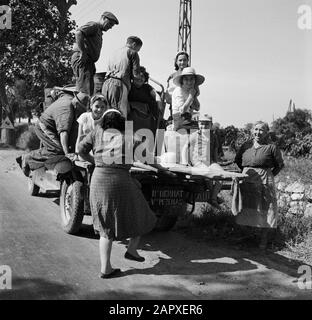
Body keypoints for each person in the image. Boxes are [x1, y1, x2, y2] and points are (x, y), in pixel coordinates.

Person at [77, 109, 159, 278]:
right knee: (141, 213)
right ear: (122, 122)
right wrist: (164, 169)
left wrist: (95, 162)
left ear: (104, 121)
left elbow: (80, 150)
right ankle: (131, 249)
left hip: (99, 180)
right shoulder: (129, 136)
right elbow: (148, 158)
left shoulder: (96, 133)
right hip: (121, 180)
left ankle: (106, 268)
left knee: (106, 228)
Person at [231, 121, 284, 250]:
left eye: (261, 130)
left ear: (266, 132)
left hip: (264, 180)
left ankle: (263, 240)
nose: (258, 132)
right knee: (245, 208)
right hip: (246, 179)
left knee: (265, 209)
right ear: (252, 131)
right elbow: (238, 161)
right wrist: (245, 172)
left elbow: (279, 165)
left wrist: (268, 174)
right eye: (255, 129)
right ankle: (245, 237)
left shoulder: (271, 147)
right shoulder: (246, 145)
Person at [16, 92, 90, 175]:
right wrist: (67, 154)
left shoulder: (69, 99)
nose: (82, 112)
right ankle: (27, 158)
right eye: (82, 109)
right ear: (77, 104)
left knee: (60, 149)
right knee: (57, 150)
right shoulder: (67, 111)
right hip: (44, 126)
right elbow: (63, 134)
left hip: (52, 127)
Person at [71, 12, 119, 95]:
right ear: (103, 18)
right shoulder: (94, 25)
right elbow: (79, 33)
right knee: (85, 91)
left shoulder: (99, 31)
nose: (110, 27)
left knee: (88, 89)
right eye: (110, 23)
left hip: (88, 61)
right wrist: (83, 52)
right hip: (83, 59)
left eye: (112, 26)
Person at [181, 116, 223, 207]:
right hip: (198, 162)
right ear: (199, 124)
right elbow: (185, 148)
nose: (204, 126)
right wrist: (185, 162)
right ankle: (214, 198)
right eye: (202, 123)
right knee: (208, 174)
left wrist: (216, 164)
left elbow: (215, 151)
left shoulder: (213, 136)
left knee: (221, 175)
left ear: (211, 125)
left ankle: (213, 197)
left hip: (210, 162)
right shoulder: (195, 135)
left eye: (207, 124)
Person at [101, 36, 143, 118]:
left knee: (106, 112)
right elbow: (136, 75)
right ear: (134, 44)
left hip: (106, 84)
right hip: (119, 84)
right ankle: (124, 131)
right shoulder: (132, 52)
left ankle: (106, 130)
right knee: (120, 113)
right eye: (138, 49)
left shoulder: (115, 52)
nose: (138, 51)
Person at [128, 66, 163, 138]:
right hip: (132, 113)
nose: (140, 78)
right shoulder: (129, 86)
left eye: (142, 76)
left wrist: (159, 103)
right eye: (137, 76)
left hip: (146, 113)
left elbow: (155, 94)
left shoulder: (147, 87)